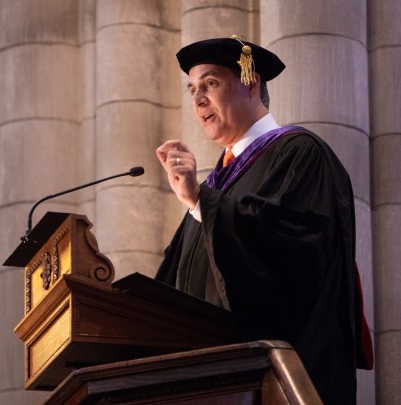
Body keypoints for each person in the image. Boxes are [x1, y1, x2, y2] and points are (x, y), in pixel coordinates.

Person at [155, 36, 373, 405]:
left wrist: (201, 203)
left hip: (276, 378)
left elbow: (291, 255)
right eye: (192, 89)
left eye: (210, 84)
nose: (198, 100)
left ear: (250, 83)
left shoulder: (300, 152)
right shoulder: (215, 184)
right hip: (209, 382)